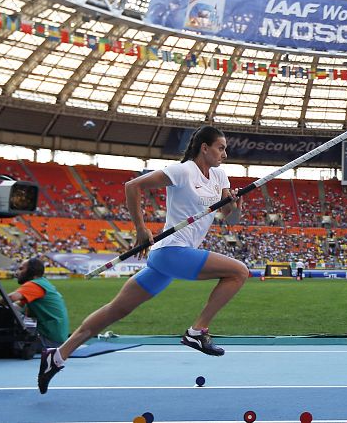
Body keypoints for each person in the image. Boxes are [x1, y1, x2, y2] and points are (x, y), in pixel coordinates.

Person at [37, 125, 249, 394]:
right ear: (204, 148)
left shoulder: (219, 175)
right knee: (239, 272)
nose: (225, 154)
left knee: (116, 310)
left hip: (170, 260)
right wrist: (140, 228)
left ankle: (56, 357)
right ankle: (197, 331)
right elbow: (132, 186)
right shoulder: (183, 171)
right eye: (220, 147)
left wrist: (233, 205)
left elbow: (231, 220)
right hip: (171, 250)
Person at [0, 258, 69, 349]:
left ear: (31, 271)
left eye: (21, 269)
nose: (17, 272)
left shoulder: (34, 284)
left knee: (6, 314)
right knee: (12, 311)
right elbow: (19, 306)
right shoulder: (43, 283)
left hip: (50, 341)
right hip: (56, 338)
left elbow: (11, 298)